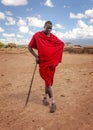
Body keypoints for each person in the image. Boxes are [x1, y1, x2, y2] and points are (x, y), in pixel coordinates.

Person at [28, 21, 64, 113]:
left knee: (48, 82)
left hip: (52, 63)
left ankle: (44, 98)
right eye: (47, 27)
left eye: (50, 28)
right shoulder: (37, 35)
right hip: (43, 63)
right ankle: (53, 103)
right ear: (44, 26)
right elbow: (29, 47)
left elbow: (61, 44)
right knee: (48, 82)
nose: (49, 29)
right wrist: (36, 56)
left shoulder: (53, 37)